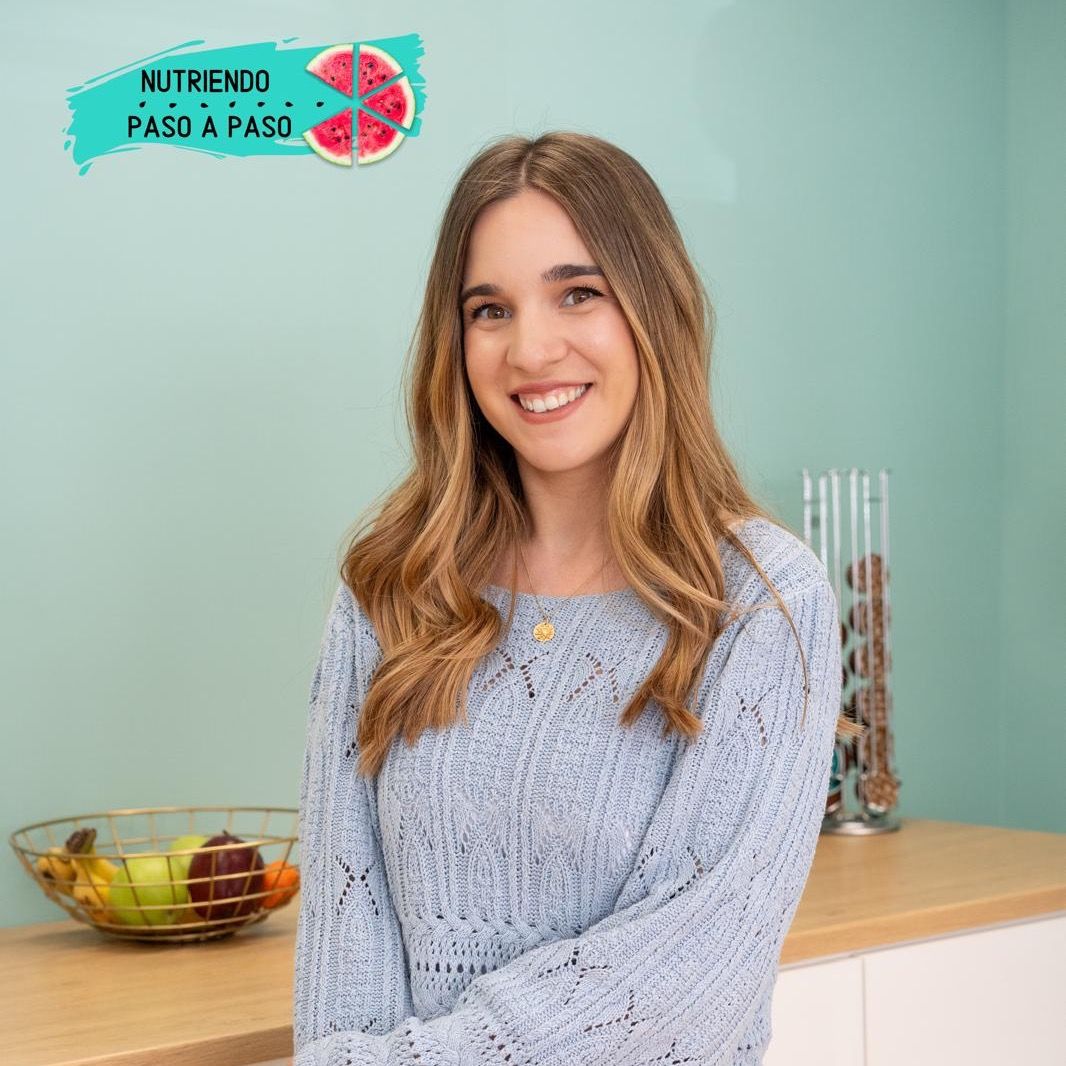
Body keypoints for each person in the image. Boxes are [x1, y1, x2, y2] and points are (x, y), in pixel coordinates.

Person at [292, 130, 861, 1065]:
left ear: (653, 308)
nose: (531, 349)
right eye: (489, 310)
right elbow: (344, 932)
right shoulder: (391, 588)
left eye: (578, 293)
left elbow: (687, 980)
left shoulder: (760, 602)